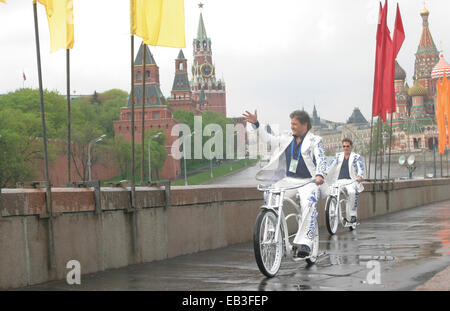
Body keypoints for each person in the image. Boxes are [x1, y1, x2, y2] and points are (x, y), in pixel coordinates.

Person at [242, 109, 326, 258]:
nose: (292, 126)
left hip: (309, 181)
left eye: (295, 124)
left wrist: (320, 175)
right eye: (291, 123)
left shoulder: (315, 140)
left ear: (304, 124)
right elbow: (268, 139)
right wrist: (256, 123)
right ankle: (272, 228)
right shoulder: (287, 137)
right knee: (271, 194)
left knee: (309, 203)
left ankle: (306, 244)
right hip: (288, 180)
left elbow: (321, 159)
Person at [325, 138, 365, 224]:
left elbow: (360, 168)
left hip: (351, 181)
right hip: (339, 181)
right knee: (331, 191)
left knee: (352, 192)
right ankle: (332, 211)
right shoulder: (337, 156)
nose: (345, 148)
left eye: (347, 146)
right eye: (344, 146)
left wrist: (360, 176)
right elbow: (330, 165)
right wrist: (325, 173)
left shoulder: (356, 157)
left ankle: (353, 215)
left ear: (351, 147)